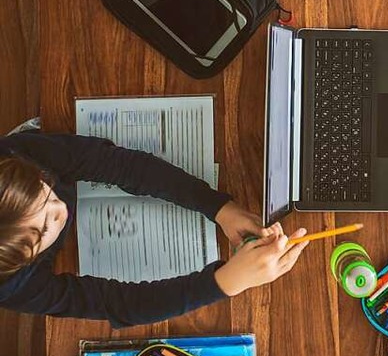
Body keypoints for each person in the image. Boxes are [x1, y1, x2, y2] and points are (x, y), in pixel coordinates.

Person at [0, 131, 308, 327]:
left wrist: (219, 208)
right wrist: (225, 282)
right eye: (43, 230)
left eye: (46, 189)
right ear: (20, 263)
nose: (61, 210)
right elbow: (116, 304)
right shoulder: (14, 288)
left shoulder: (17, 156)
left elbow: (118, 165)